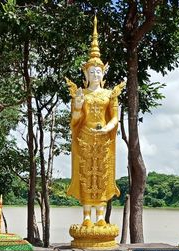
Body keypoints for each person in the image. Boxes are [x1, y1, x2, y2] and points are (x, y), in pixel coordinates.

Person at [66, 17, 125, 227]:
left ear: (103, 73)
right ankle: (86, 217)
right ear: (86, 73)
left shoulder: (109, 94)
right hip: (84, 138)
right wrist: (79, 107)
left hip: (103, 141)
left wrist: (107, 128)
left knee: (101, 175)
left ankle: (100, 215)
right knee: (85, 174)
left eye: (98, 71)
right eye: (91, 71)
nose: (95, 74)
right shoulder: (80, 95)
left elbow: (115, 117)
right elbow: (74, 121)